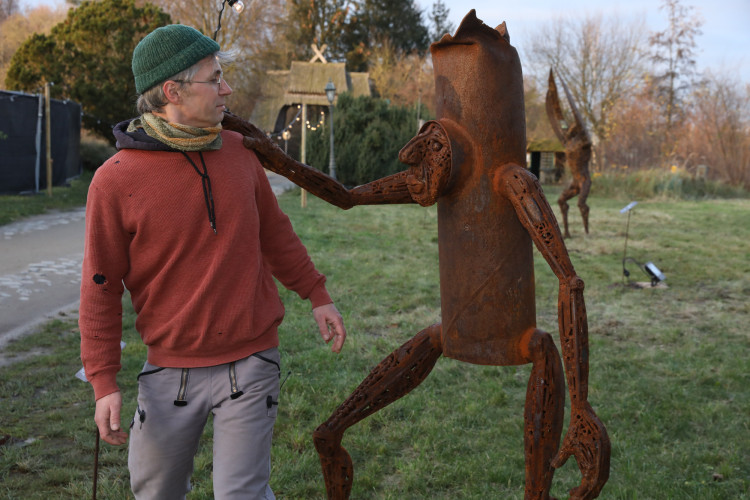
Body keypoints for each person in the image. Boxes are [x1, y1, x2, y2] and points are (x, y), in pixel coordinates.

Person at [79, 24, 347, 499]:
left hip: (251, 362)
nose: (227, 89)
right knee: (156, 492)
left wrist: (317, 294)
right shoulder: (114, 180)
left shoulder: (242, 156)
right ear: (172, 91)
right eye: (214, 78)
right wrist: (103, 381)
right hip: (167, 375)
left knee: (242, 494)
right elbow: (100, 286)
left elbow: (275, 234)